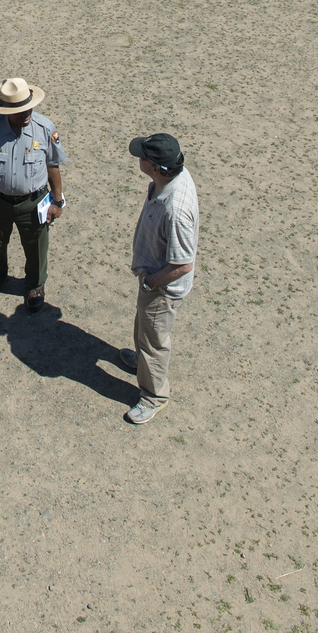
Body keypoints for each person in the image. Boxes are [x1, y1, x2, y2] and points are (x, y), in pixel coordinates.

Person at [0, 77, 67, 313]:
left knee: (36, 245)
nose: (26, 114)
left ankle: (35, 285)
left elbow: (53, 165)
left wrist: (58, 200)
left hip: (33, 202)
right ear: (4, 111)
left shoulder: (44, 128)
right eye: (19, 110)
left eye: (28, 107)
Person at [122, 132, 199, 425]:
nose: (138, 159)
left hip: (161, 287)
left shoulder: (176, 209)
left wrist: (151, 282)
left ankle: (153, 396)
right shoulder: (167, 179)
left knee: (154, 340)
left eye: (143, 157)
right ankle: (141, 362)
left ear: (156, 167)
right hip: (152, 280)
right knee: (144, 327)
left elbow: (182, 264)